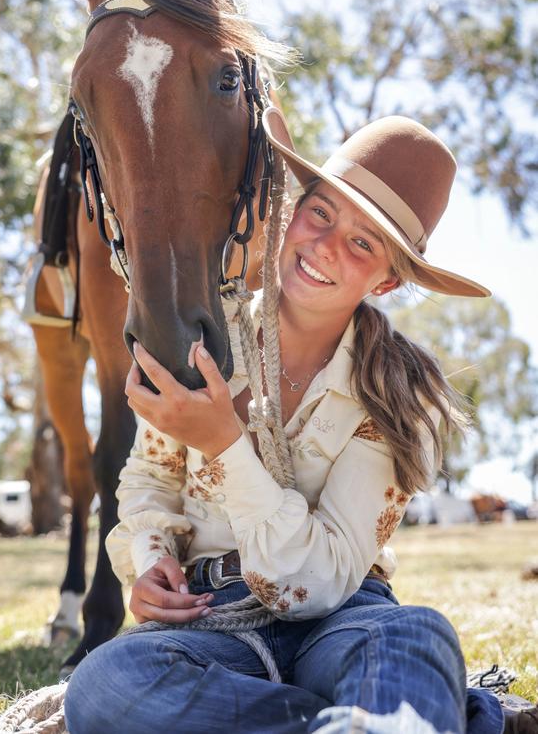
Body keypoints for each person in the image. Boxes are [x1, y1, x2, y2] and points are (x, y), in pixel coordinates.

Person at [63, 112, 516, 734]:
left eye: (363, 242)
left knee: (412, 634)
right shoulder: (206, 337)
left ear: (386, 280)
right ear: (292, 212)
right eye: (321, 213)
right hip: (210, 619)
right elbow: (151, 477)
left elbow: (321, 580)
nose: (326, 245)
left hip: (343, 619)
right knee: (107, 682)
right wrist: (149, 560)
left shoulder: (400, 396)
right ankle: (383, 723)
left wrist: (224, 442)